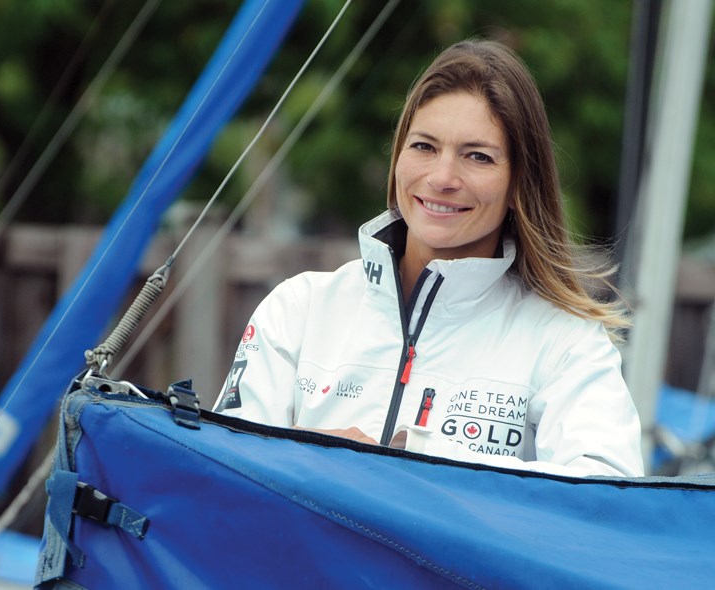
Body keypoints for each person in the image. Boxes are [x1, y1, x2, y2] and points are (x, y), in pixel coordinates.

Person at [213, 39, 644, 477]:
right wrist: (315, 456)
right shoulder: (299, 309)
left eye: (477, 156)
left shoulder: (565, 338)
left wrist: (419, 463)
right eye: (424, 146)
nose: (441, 178)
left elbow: (608, 494)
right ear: (398, 157)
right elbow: (222, 480)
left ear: (519, 183)